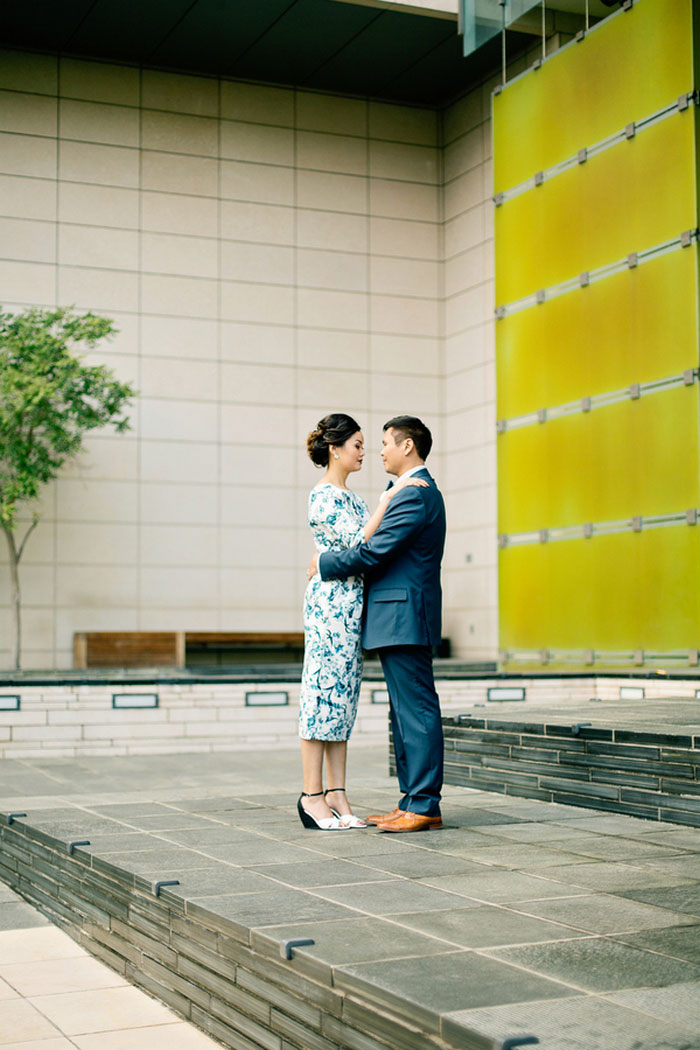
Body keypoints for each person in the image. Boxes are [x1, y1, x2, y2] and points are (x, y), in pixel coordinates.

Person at [307, 415, 446, 833]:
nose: (378, 450)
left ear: (407, 447)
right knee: (404, 713)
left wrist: (323, 564)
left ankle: (422, 804)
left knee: (415, 711)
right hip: (395, 618)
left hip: (404, 617)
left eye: (384, 442)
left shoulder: (415, 495)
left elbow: (373, 553)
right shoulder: (403, 492)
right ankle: (411, 801)